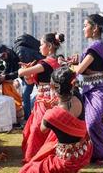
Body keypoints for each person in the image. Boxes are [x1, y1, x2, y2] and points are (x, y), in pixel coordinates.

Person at [19, 66, 93, 173]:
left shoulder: (51, 115)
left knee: (28, 170)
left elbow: (42, 129)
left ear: (52, 87)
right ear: (71, 85)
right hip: (84, 151)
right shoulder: (78, 97)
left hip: (65, 161)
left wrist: (51, 109)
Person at [70, 14, 103, 164]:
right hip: (89, 88)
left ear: (95, 28)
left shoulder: (96, 47)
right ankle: (96, 152)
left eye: (85, 25)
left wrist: (66, 66)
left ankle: (102, 152)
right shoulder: (93, 47)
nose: (84, 28)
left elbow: (79, 70)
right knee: (91, 121)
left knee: (93, 121)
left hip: (99, 89)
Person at [18, 33, 64, 163]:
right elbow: (30, 82)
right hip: (49, 100)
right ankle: (46, 154)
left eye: (41, 44)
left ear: (49, 46)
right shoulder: (55, 62)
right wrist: (29, 73)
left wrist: (23, 70)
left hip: (46, 101)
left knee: (37, 129)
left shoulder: (45, 63)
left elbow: (21, 73)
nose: (39, 48)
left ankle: (36, 156)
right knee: (42, 129)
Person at [0, 44, 24, 124]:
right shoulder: (7, 58)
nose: (2, 58)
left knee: (24, 97)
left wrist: (7, 77)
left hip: (25, 77)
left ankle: (25, 119)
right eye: (1, 57)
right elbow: (7, 70)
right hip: (15, 78)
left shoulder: (19, 52)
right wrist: (1, 77)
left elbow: (21, 71)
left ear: (6, 51)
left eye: (3, 55)